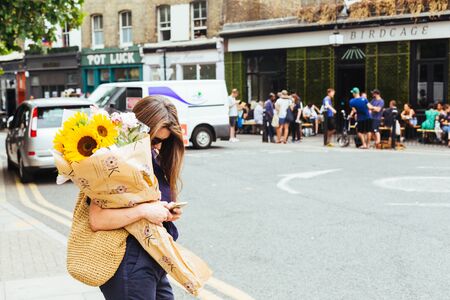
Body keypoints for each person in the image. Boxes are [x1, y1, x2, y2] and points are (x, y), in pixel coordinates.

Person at [91, 96, 185, 300]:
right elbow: (97, 219)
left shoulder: (151, 159)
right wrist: (145, 211)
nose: (159, 147)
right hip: (129, 264)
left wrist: (164, 210)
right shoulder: (115, 160)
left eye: (164, 141)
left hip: (154, 258)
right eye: (157, 140)